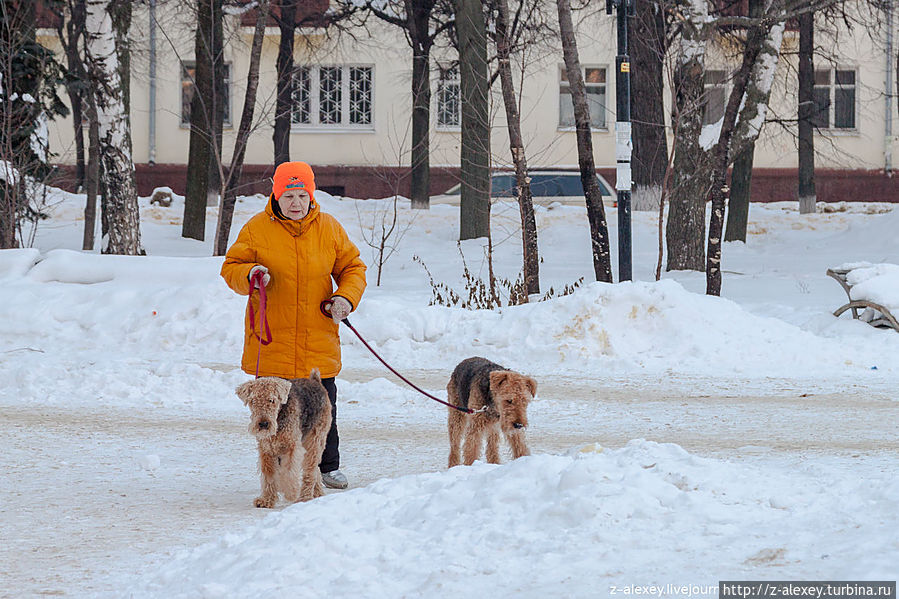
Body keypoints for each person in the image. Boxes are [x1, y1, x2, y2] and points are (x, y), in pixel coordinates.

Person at [221, 161, 367, 490]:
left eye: (302, 195)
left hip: (318, 338)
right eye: (289, 195)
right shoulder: (257, 228)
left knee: (322, 408)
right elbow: (232, 267)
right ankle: (275, 474)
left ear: (312, 196)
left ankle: (326, 467)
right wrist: (250, 273)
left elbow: (353, 268)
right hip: (272, 340)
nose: (296, 202)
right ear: (277, 195)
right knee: (273, 412)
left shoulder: (329, 228)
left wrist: (345, 298)